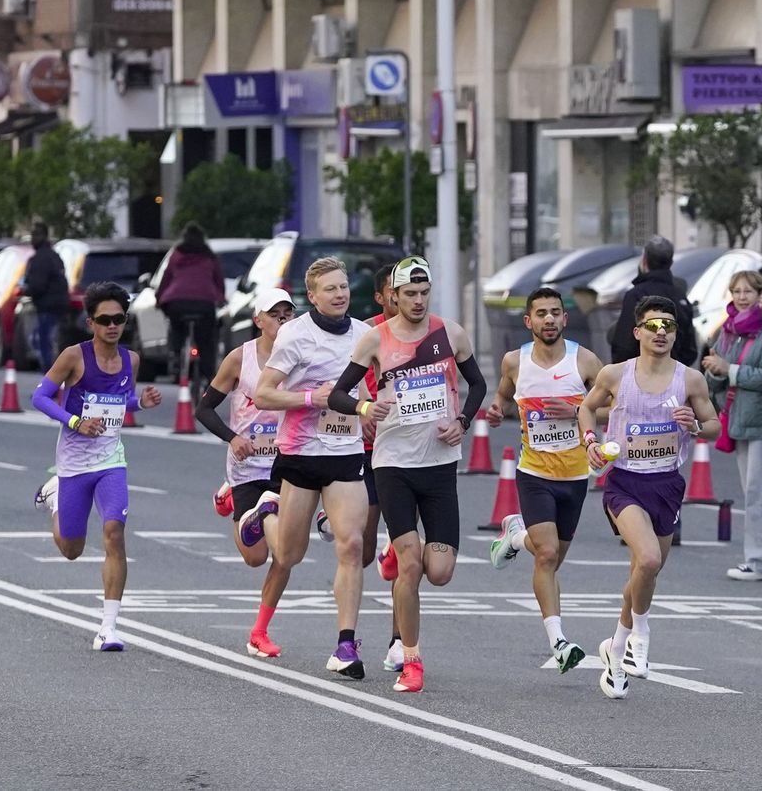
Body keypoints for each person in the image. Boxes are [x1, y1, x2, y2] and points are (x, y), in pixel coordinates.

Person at [327, 256, 487, 693]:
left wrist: (463, 421)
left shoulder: (450, 333)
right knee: (413, 566)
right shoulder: (375, 340)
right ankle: (411, 659)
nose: (417, 301)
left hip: (438, 466)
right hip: (393, 463)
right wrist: (364, 407)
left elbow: (478, 384)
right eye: (408, 294)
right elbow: (339, 394)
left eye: (423, 293)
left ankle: (395, 556)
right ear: (392, 296)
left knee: (440, 571)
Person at [578, 296, 720, 700]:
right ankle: (641, 634)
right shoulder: (615, 374)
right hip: (624, 482)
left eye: (669, 327)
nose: (661, 334)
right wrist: (590, 440)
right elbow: (585, 411)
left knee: (644, 574)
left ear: (676, 334)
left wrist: (696, 425)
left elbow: (713, 426)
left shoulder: (690, 380)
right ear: (637, 332)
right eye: (654, 326)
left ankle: (615, 647)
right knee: (649, 559)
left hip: (667, 483)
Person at [249, 257, 372, 680]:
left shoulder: (364, 335)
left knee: (351, 545)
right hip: (299, 455)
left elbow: (370, 388)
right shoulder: (294, 335)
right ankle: (267, 512)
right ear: (313, 297)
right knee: (288, 554)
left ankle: (345, 643)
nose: (340, 294)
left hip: (345, 451)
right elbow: (264, 395)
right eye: (330, 289)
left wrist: (372, 409)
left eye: (344, 287)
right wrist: (310, 400)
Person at [30, 282, 162, 651]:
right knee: (71, 548)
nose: (112, 326)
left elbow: (119, 403)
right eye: (104, 320)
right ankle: (55, 495)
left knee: (114, 532)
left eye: (119, 319)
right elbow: (39, 397)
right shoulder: (74, 356)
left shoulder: (130, 360)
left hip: (110, 460)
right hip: (73, 464)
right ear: (91, 322)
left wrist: (141, 403)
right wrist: (74, 422)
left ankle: (108, 628)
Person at [484, 285, 604, 670]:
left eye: (555, 313)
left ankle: (516, 536)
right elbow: (503, 392)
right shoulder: (514, 362)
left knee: (553, 557)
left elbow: (613, 408)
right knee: (548, 553)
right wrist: (498, 407)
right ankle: (559, 642)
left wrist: (573, 413)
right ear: (528, 321)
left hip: (575, 474)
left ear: (565, 319)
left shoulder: (584, 362)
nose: (549, 319)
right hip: (533, 471)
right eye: (541, 313)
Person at [194, 287, 297, 659]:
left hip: (289, 463)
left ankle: (259, 631)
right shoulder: (241, 358)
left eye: (288, 313)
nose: (283, 320)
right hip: (249, 464)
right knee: (255, 557)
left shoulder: (303, 354)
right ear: (259, 321)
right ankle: (231, 497)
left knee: (284, 554)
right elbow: (204, 409)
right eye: (275, 315)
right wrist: (233, 437)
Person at [701, 269, 762, 581]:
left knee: (758, 491)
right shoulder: (727, 329)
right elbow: (717, 371)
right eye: (736, 291)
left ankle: (759, 562)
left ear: (759, 294)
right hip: (737, 418)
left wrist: (731, 370)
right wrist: (714, 371)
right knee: (757, 492)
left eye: (748, 292)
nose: (741, 297)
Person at [609, 236, 698, 369]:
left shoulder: (635, 295)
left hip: (640, 376)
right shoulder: (680, 297)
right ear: (671, 262)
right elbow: (689, 349)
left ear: (644, 260)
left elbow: (623, 345)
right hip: (675, 378)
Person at [157, 222, 226, 385]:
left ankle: (176, 353)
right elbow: (219, 280)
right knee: (207, 338)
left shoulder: (177, 254)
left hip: (177, 302)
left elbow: (166, 278)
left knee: (176, 326)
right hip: (205, 303)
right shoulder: (209, 256)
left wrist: (158, 297)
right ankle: (208, 373)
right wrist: (221, 298)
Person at [23, 223, 70, 368]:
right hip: (59, 306)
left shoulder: (40, 259)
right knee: (52, 343)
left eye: (35, 235)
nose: (32, 239)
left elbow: (37, 285)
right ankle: (53, 382)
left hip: (46, 307)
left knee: (44, 344)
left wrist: (26, 289)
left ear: (43, 236)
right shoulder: (55, 256)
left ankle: (50, 384)